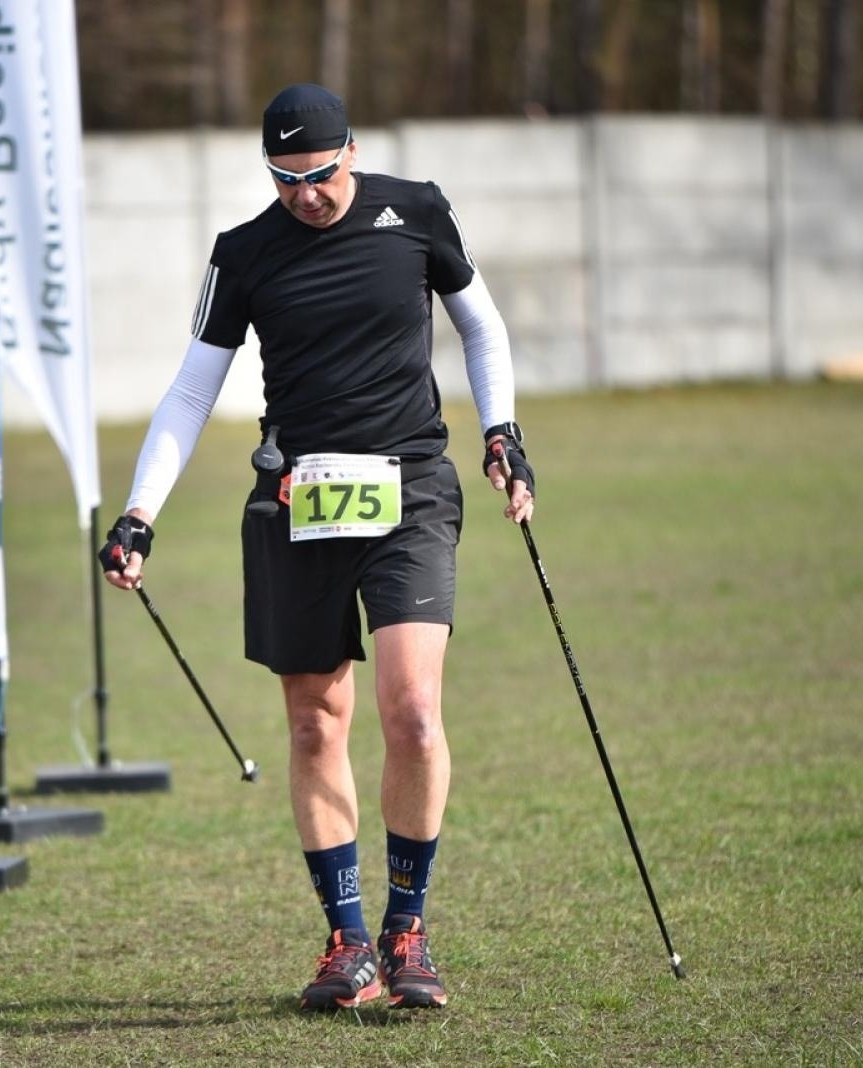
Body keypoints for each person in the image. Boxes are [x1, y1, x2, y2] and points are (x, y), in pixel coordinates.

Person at [97, 83, 533, 1011]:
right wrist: (140, 514)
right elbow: (188, 394)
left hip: (411, 487)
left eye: (321, 174)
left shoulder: (414, 210)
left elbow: (480, 327)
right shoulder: (244, 254)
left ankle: (407, 930)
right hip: (300, 500)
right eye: (285, 179)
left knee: (412, 710)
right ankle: (346, 944)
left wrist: (501, 431)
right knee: (314, 723)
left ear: (352, 151)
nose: (306, 195)